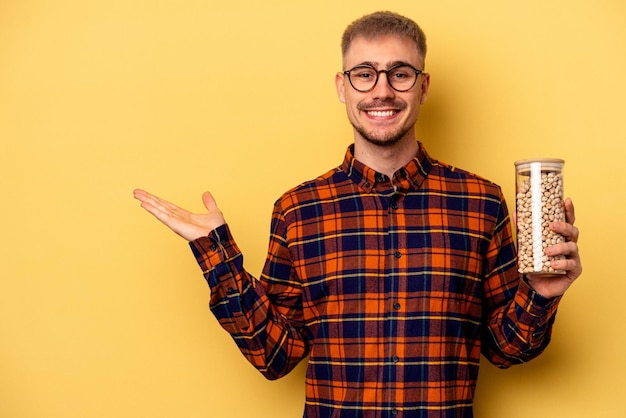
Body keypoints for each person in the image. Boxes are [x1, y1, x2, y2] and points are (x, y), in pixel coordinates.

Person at [133, 11, 582, 418]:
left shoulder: (480, 202)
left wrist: (541, 293)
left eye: (400, 73)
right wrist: (215, 254)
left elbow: (505, 350)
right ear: (342, 86)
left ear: (423, 86)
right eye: (364, 74)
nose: (382, 90)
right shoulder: (298, 210)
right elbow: (275, 356)